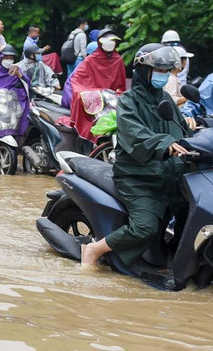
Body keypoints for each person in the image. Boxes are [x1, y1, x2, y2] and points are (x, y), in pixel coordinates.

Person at [80, 45, 192, 268]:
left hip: (167, 174)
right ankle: (94, 250)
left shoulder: (166, 100)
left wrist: (196, 129)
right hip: (137, 177)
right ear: (143, 71)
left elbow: (180, 130)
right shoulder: (129, 101)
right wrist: (165, 143)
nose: (163, 75)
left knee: (190, 210)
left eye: (166, 71)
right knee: (144, 227)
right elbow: (135, 134)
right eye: (158, 70)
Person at [63, 28, 127, 140]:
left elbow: (121, 86)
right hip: (93, 100)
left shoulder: (118, 60)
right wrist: (85, 93)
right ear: (99, 43)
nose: (110, 44)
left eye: (113, 41)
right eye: (107, 41)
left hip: (111, 101)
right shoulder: (91, 60)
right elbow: (77, 80)